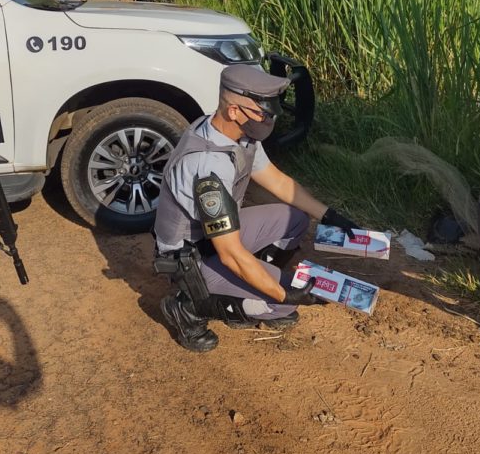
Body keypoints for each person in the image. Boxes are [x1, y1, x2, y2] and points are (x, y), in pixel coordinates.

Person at [153, 64, 360, 352]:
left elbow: (276, 181)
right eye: (263, 112)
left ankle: (249, 281)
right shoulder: (208, 166)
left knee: (295, 219)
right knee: (281, 306)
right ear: (234, 111)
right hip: (191, 256)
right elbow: (231, 255)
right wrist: (283, 293)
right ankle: (189, 307)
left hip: (219, 238)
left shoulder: (236, 133)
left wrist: (329, 215)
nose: (269, 118)